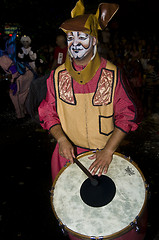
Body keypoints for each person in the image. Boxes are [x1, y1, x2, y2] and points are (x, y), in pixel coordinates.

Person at [38, 1, 142, 239]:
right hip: (69, 155)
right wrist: (62, 140)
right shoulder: (56, 77)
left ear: (94, 40)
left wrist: (108, 151)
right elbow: (47, 112)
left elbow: (128, 115)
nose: (75, 43)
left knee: (112, 219)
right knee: (75, 216)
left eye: (82, 37)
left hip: (104, 155)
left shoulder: (112, 74)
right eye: (71, 37)